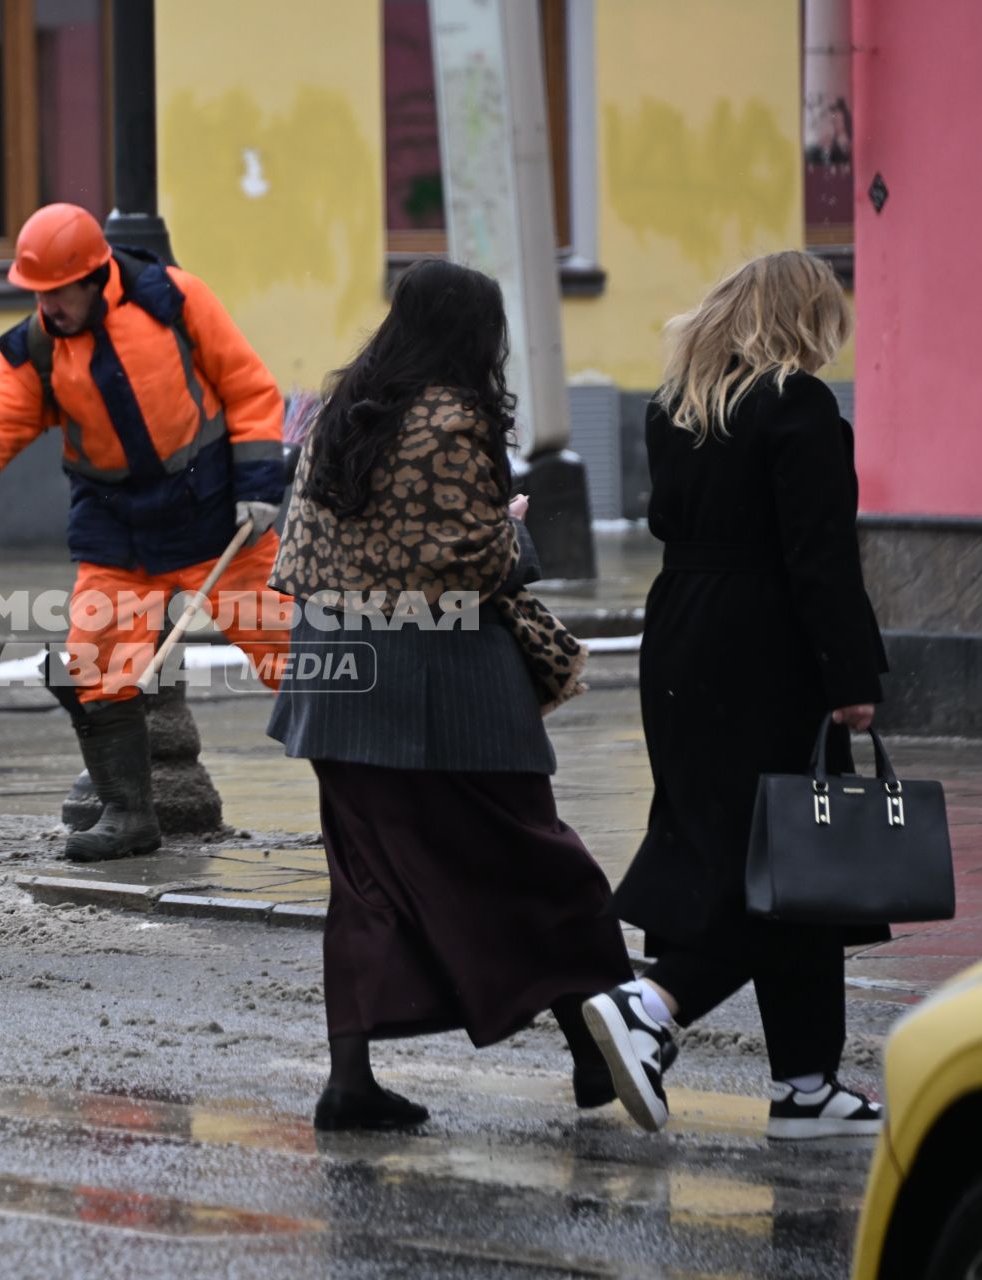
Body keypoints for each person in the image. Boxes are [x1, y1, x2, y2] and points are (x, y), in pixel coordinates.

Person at [268, 259, 632, 1131]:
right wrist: (513, 528)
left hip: (336, 683)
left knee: (365, 885)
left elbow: (311, 548)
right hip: (443, 693)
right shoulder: (449, 418)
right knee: (536, 860)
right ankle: (597, 1047)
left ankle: (350, 1080)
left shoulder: (341, 410)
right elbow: (471, 562)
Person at [0, 204, 293, 862]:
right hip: (117, 530)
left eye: (57, 293)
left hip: (214, 512)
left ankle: (365, 793)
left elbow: (249, 387)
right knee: (94, 667)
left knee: (294, 655)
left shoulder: (174, 299)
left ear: (95, 277)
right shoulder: (37, 352)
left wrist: (258, 489)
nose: (47, 308)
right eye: (37, 294)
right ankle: (127, 814)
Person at [584, 251, 889, 1141]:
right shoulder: (798, 408)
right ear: (804, 318)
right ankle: (654, 1006)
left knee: (777, 858)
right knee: (776, 860)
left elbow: (671, 527)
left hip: (682, 634)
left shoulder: (679, 408)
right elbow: (820, 559)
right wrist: (851, 678)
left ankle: (806, 1084)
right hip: (769, 650)